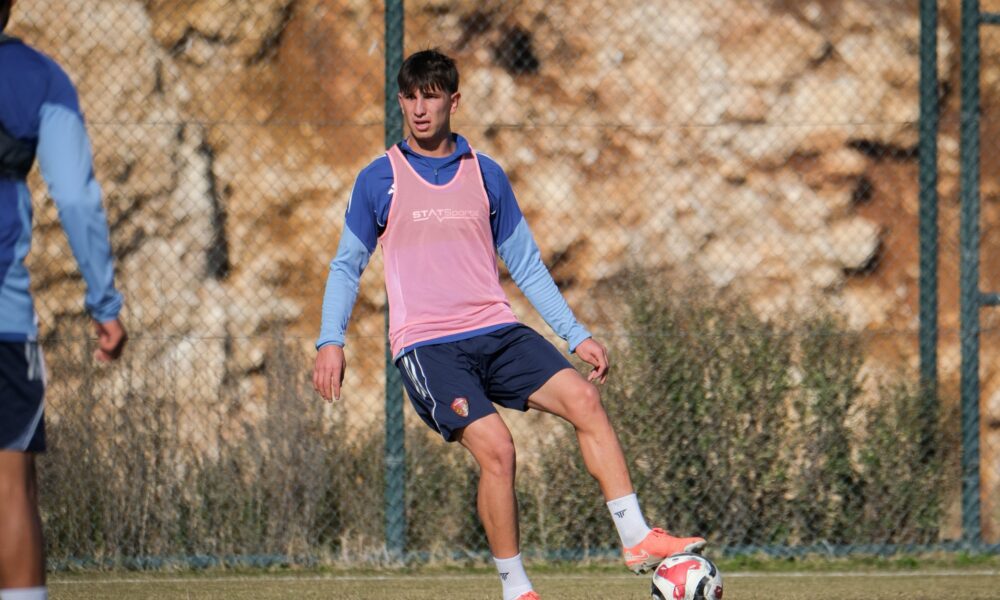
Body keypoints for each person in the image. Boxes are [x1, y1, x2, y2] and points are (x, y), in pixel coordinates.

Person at [313, 49, 704, 600]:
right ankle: (517, 590)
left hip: (496, 330)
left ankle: (636, 537)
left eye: (431, 96)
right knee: (498, 449)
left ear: (453, 101)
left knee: (585, 400)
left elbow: (526, 264)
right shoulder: (380, 179)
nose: (420, 109)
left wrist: (576, 334)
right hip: (429, 347)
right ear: (400, 101)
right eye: (410, 97)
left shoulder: (486, 174)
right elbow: (345, 266)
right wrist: (331, 340)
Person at [0, 2, 127, 598]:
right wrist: (105, 304)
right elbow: (75, 199)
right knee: (11, 485)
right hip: (4, 323)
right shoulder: (39, 78)